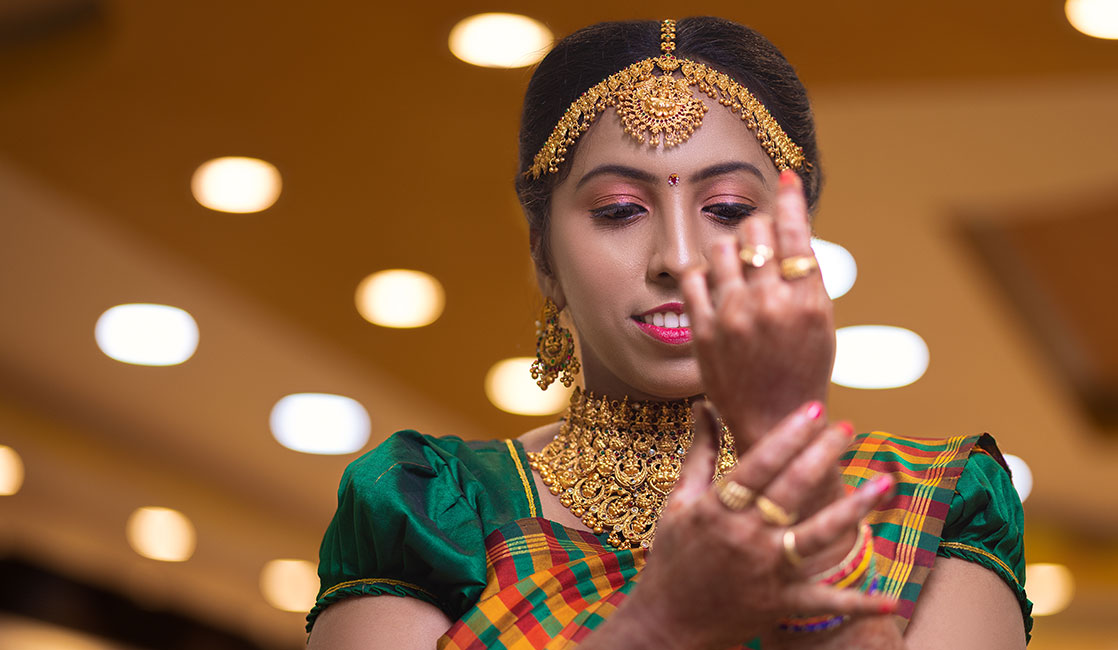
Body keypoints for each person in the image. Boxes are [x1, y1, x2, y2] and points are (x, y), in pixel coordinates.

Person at [304, 17, 1032, 649]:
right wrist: (660, 627)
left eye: (726, 208)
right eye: (620, 210)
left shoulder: (936, 502)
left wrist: (795, 478)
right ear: (544, 258)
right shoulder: (432, 507)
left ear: (796, 240)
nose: (678, 260)